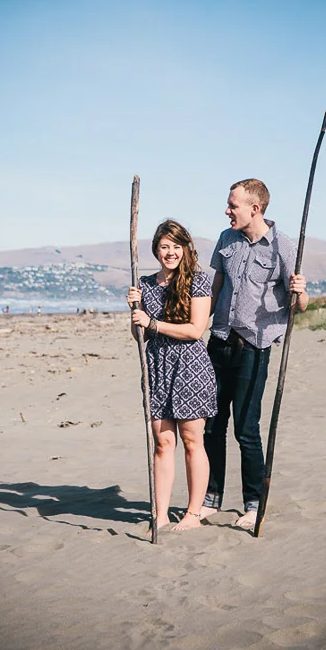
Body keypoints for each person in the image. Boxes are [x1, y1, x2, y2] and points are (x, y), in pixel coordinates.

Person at [200, 178, 308, 528]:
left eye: (233, 205)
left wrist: (300, 292)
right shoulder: (226, 238)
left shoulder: (283, 247)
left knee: (246, 429)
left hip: (254, 346)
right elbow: (216, 286)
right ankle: (211, 498)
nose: (227, 210)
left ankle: (252, 503)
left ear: (254, 208)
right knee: (212, 425)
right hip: (218, 341)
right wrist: (197, 327)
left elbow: (300, 305)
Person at [127, 219, 216, 532]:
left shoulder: (197, 281)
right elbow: (140, 338)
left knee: (192, 441)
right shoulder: (146, 285)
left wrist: (152, 323)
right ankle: (161, 514)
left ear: (185, 248)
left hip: (191, 368)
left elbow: (195, 330)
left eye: (176, 246)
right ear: (155, 249)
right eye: (164, 246)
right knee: (163, 443)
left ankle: (193, 513)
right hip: (157, 368)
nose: (170, 252)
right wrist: (134, 314)